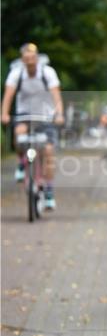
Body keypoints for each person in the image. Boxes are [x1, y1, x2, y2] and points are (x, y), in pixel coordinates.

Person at [1, 43, 64, 210]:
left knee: (48, 151)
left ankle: (49, 191)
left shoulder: (47, 72)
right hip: (24, 114)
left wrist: (59, 114)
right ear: (22, 60)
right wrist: (4, 114)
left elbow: (56, 95)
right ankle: (22, 163)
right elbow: (8, 95)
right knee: (19, 132)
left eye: (32, 58)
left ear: (37, 58)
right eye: (26, 58)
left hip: (45, 116)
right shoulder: (17, 73)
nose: (30, 61)